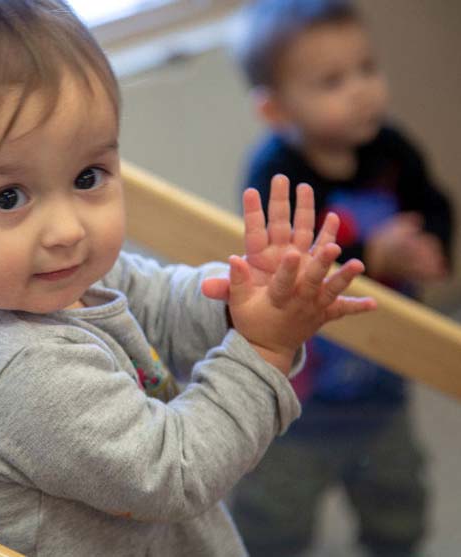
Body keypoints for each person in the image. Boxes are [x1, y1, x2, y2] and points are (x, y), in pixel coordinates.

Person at [0, 1, 375, 555]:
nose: (67, 229)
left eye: (87, 176)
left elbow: (156, 303)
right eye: (8, 197)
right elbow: (177, 469)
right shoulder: (18, 375)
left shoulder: (29, 280)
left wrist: (238, 301)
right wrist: (263, 348)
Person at [228, 1, 455, 556]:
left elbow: (435, 203)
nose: (361, 90)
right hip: (300, 401)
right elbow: (287, 259)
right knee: (273, 517)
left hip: (382, 385)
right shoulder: (274, 172)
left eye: (367, 68)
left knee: (399, 504)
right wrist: (371, 251)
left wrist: (433, 244)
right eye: (332, 81)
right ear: (277, 110)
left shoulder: (392, 148)